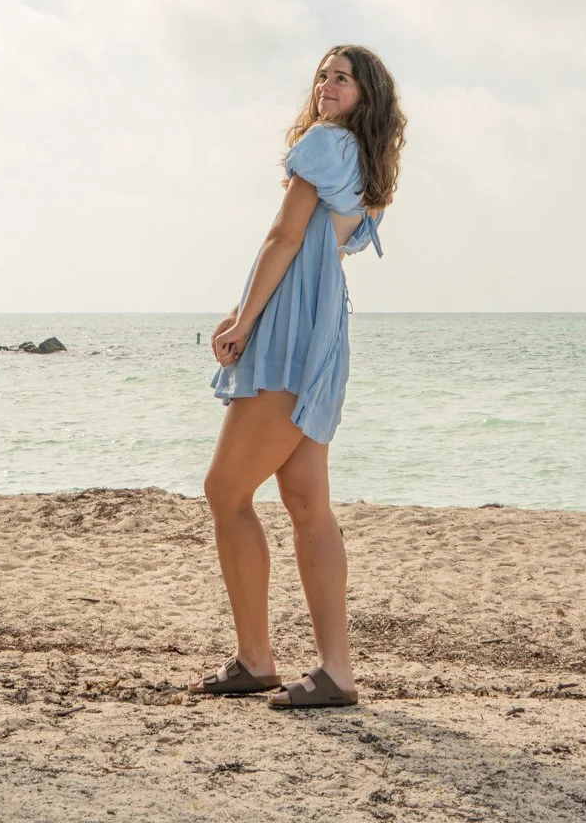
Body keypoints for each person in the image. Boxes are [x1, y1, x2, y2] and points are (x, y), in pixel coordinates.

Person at [200, 45, 406, 710]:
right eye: (322, 75)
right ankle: (334, 671)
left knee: (224, 491)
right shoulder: (364, 166)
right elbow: (317, 245)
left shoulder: (322, 145)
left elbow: (283, 238)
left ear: (365, 95)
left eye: (342, 78)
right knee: (305, 502)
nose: (326, 85)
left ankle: (258, 658)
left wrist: (240, 321)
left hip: (291, 333)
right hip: (324, 335)